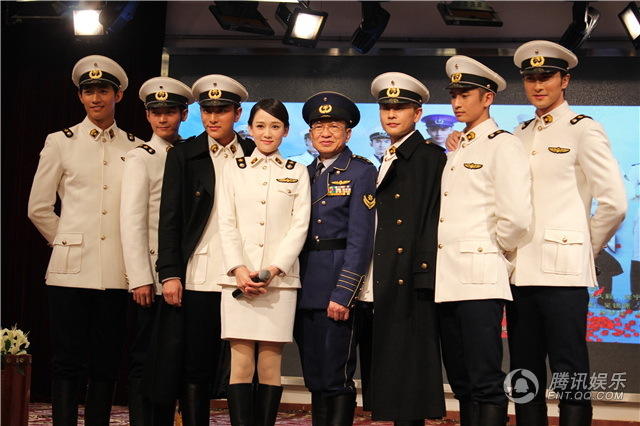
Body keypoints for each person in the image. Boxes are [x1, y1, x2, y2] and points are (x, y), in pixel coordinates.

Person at [447, 40, 627, 425]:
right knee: (523, 371)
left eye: (546, 77)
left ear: (565, 80)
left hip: (563, 273)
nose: (538, 85)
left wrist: (584, 249)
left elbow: (614, 202)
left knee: (569, 369)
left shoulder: (584, 130)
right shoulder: (519, 133)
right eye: (531, 78)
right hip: (518, 271)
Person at [27, 55, 142, 424]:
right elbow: (38, 207)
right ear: (79, 96)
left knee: (106, 361)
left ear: (118, 95)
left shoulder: (135, 147)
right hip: (69, 271)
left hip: (116, 270)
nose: (96, 98)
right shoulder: (60, 142)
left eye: (103, 91)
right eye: (88, 91)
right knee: (67, 360)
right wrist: (65, 242)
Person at [152, 75, 255, 425]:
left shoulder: (254, 153)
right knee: (195, 364)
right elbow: (170, 218)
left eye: (221, 110)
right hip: (201, 272)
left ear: (237, 113)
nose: (212, 118)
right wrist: (170, 273)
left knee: (242, 365)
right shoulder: (184, 154)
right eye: (207, 110)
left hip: (245, 273)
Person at [435, 56, 532, 426]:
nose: (457, 102)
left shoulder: (502, 144)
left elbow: (516, 216)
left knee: (485, 377)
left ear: (487, 98)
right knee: (460, 379)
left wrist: (495, 252)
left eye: (465, 95)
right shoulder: (460, 144)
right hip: (449, 277)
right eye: (453, 95)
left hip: (480, 276)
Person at [217, 99, 311, 425]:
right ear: (249, 129)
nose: (267, 133)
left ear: (286, 130)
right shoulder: (233, 169)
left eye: (274, 126)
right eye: (260, 126)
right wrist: (239, 269)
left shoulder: (297, 171)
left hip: (279, 283)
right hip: (237, 281)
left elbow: (300, 226)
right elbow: (226, 222)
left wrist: (273, 269)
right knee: (241, 366)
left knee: (270, 366)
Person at [365, 72, 447, 424]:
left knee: (411, 366)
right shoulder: (391, 154)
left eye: (400, 107)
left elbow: (433, 216)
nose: (391, 114)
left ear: (417, 113)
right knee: (395, 363)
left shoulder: (428, 156)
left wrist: (423, 271)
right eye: (386, 107)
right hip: (389, 270)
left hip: (413, 272)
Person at [294, 91, 377, 425]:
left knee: (336, 375)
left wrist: (344, 293)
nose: (325, 133)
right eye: (318, 126)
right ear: (310, 133)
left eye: (333, 126)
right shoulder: (302, 172)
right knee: (314, 375)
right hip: (303, 285)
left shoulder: (360, 171)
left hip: (336, 286)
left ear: (348, 133)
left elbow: (361, 238)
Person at [120, 76, 193, 425]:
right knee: (145, 358)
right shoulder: (141, 157)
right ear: (147, 116)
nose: (162, 119)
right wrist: (139, 278)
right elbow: (132, 221)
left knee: (174, 361)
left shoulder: (191, 153)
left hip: (183, 272)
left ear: (184, 114)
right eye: (155, 112)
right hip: (150, 275)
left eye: (170, 112)